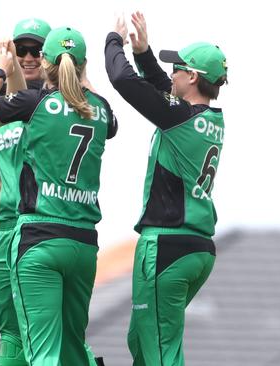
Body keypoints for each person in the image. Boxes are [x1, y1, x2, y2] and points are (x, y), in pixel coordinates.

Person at [0, 27, 118, 365]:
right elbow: (108, 119)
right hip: (83, 243)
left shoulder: (35, 102)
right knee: (72, 348)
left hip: (39, 237)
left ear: (46, 64)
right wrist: (82, 73)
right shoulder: (101, 111)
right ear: (81, 65)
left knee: (43, 354)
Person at [105, 12, 227, 366]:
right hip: (197, 246)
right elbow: (163, 90)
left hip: (167, 244)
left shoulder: (179, 117)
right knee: (142, 341)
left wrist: (114, 41)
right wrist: (144, 52)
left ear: (192, 76)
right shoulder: (206, 117)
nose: (171, 73)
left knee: (159, 351)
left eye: (178, 69)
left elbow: (123, 81)